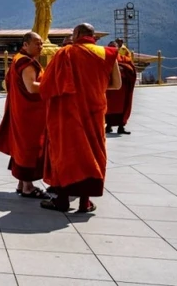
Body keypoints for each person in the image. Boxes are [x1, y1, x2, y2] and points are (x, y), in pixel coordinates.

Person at [39, 23, 121, 214]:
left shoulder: (65, 53)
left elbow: (47, 86)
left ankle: (62, 200)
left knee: (67, 153)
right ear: (93, 36)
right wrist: (94, 86)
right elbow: (116, 84)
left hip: (69, 114)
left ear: (76, 35)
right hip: (94, 112)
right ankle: (85, 202)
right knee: (92, 154)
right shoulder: (108, 53)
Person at [0, 32, 49, 198]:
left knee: (22, 146)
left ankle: (22, 183)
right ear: (25, 45)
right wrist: (53, 84)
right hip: (29, 113)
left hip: (21, 108)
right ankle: (28, 187)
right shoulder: (26, 63)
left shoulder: (18, 59)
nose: (40, 46)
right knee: (29, 146)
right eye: (37, 43)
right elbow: (31, 87)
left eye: (42, 43)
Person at [105, 40, 136, 135]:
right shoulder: (105, 59)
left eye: (114, 47)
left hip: (123, 88)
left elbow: (131, 69)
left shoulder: (124, 59)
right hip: (110, 88)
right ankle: (108, 126)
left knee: (123, 106)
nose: (112, 49)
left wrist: (123, 68)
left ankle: (121, 126)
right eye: (110, 47)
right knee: (108, 106)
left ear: (118, 48)